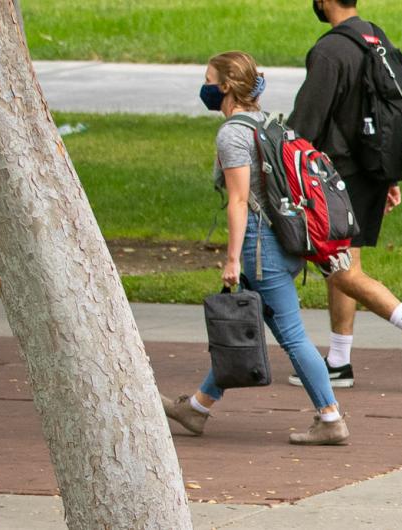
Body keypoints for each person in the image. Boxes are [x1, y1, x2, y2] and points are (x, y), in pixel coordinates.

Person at [159, 51, 352, 445]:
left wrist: (232, 260)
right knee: (245, 325)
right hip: (284, 241)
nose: (206, 87)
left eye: (209, 80)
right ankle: (196, 408)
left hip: (260, 247)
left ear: (226, 87)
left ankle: (330, 418)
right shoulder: (267, 123)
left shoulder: (232, 134)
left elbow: (239, 201)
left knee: (291, 335)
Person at [285, 0, 402, 391]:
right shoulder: (377, 38)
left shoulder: (330, 50)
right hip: (371, 172)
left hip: (336, 175)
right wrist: (389, 176)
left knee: (342, 270)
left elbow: (305, 124)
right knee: (343, 264)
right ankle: (339, 361)